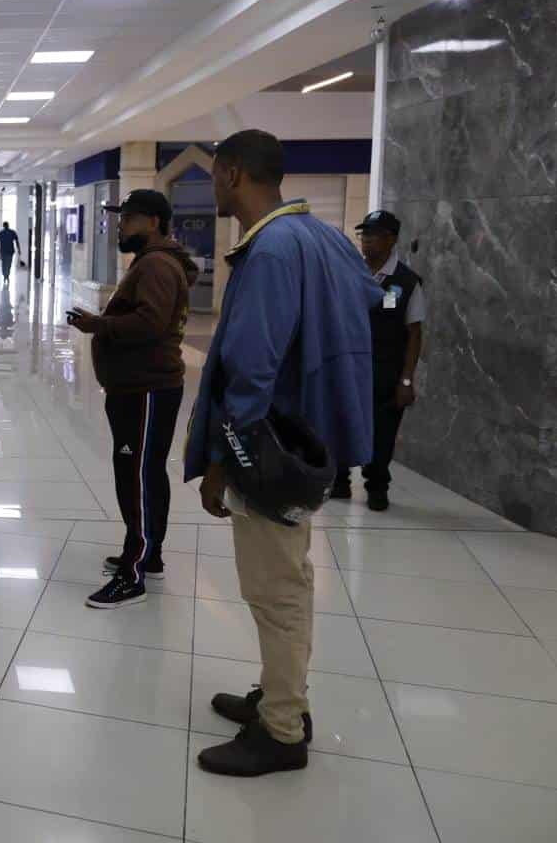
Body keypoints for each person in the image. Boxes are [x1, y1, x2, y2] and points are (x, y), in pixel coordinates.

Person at [186, 130, 382, 777]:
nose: (212, 186)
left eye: (215, 175)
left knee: (275, 588)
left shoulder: (270, 250)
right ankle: (278, 693)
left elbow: (252, 368)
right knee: (289, 576)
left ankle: (282, 728)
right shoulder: (322, 236)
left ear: (235, 173)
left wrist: (220, 460)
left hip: (269, 448)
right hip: (307, 438)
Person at [66, 190, 198, 608]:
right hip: (141, 388)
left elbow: (150, 323)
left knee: (137, 473)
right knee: (144, 471)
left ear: (154, 222)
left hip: (145, 389)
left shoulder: (157, 264)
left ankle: (134, 573)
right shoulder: (155, 261)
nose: (120, 225)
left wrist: (99, 325)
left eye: (129, 218)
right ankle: (146, 551)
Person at [331, 210, 424, 511]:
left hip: (385, 372)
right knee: (341, 423)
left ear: (392, 239)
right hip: (348, 367)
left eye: (374, 235)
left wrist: (406, 379)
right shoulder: (349, 272)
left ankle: (377, 486)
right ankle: (338, 481)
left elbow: (414, 334)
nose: (366, 241)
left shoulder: (407, 282)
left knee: (382, 435)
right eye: (364, 235)